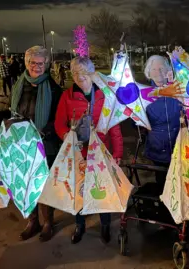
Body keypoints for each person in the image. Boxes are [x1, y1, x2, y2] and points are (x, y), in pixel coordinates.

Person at [55, 57, 123, 244]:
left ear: (92, 73)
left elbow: (114, 126)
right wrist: (68, 137)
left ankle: (105, 224)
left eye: (84, 72)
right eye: (75, 73)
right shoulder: (67, 96)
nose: (80, 77)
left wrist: (117, 153)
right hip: (77, 153)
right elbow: (59, 123)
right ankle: (80, 224)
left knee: (102, 188)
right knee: (78, 190)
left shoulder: (104, 94)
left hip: (101, 150)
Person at [11, 46, 63, 242]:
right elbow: (14, 111)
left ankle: (48, 221)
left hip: (44, 144)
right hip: (21, 143)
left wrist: (45, 131)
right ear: (27, 63)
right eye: (33, 62)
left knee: (42, 185)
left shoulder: (53, 88)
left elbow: (59, 119)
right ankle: (33, 221)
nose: (36, 67)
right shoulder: (19, 85)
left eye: (40, 63)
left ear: (46, 65)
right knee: (25, 184)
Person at [143, 55, 181, 190]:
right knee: (163, 187)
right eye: (154, 69)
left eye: (161, 68)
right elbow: (138, 124)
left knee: (181, 186)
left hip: (180, 148)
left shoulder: (179, 90)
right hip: (158, 150)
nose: (158, 72)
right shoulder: (144, 95)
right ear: (148, 73)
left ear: (168, 70)